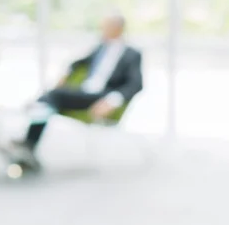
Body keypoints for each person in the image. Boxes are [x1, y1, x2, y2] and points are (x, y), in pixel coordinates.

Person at [14, 13, 143, 170]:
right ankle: (29, 143)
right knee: (54, 95)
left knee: (53, 95)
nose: (102, 30)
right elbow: (77, 63)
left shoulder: (132, 54)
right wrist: (66, 73)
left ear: (118, 28)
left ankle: (30, 133)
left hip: (102, 97)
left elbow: (136, 84)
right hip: (84, 92)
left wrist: (112, 100)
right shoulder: (101, 47)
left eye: (106, 26)